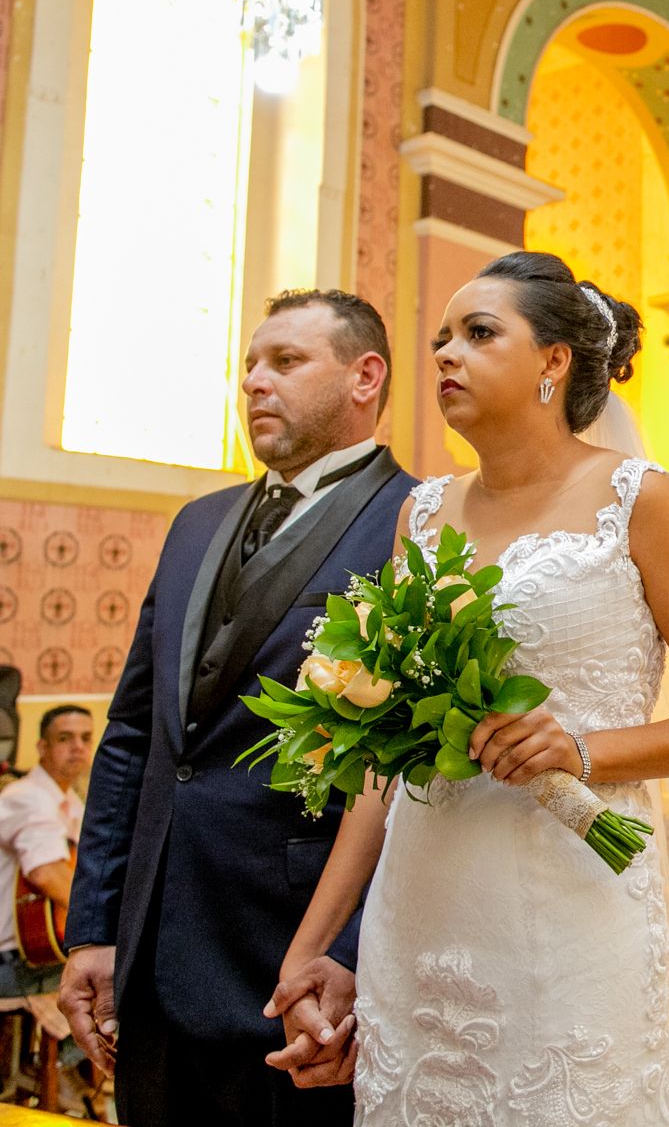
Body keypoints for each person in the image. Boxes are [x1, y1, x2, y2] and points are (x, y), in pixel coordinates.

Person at [268, 253, 669, 1123]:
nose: (447, 354)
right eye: (442, 338)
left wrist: (584, 748)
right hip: (424, 900)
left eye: (480, 334)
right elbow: (386, 767)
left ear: (554, 363)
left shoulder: (638, 498)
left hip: (566, 898)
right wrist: (314, 949)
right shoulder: (423, 514)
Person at [58, 289, 412, 1124]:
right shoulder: (196, 523)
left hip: (297, 964)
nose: (255, 381)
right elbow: (136, 738)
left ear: (366, 377)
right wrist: (96, 928)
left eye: (285, 362)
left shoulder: (418, 522)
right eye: (250, 364)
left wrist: (356, 952)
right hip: (151, 954)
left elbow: (421, 781)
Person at [0, 707, 93, 1002]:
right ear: (42, 747)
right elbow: (46, 872)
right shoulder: (26, 797)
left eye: (86, 738)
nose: (78, 747)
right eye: (65, 738)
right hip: (14, 960)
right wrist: (104, 926)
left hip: (42, 955)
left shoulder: (71, 802)